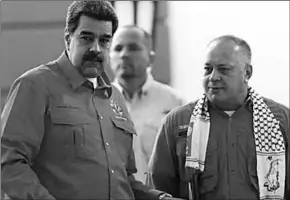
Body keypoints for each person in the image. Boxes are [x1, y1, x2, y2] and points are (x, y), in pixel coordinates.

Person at [1, 1, 184, 200]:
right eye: (86, 38)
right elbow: (8, 162)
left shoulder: (115, 96)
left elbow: (125, 180)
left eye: (104, 40)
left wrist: (159, 198)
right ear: (67, 38)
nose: (96, 48)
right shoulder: (36, 85)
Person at [147, 35, 289, 200]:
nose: (213, 77)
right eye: (208, 69)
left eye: (224, 69)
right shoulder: (179, 122)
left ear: (247, 73)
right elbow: (157, 189)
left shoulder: (280, 121)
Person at [109, 25, 187, 183]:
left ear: (150, 57)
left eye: (133, 48)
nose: (124, 55)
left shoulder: (174, 103)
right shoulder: (95, 101)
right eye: (117, 48)